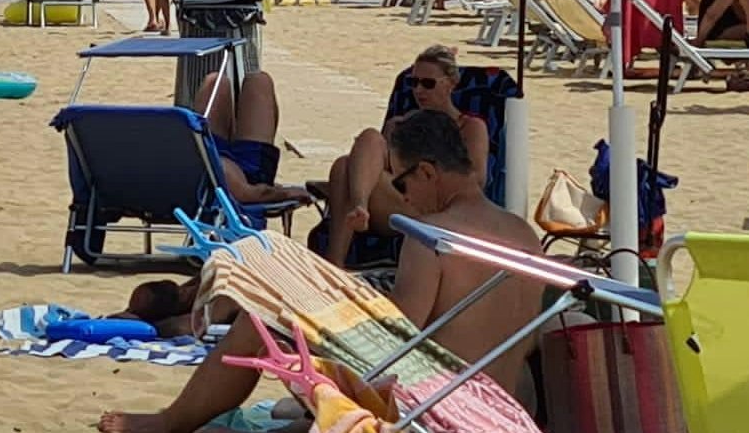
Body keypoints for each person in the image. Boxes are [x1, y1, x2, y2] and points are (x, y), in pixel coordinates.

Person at [98, 109, 542, 432]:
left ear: (427, 172)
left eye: (402, 182)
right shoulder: (524, 235)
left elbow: (400, 338)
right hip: (499, 412)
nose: (403, 198)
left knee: (261, 322)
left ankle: (168, 423)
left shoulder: (432, 237)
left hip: (431, 410)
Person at [320, 45, 491, 266]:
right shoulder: (401, 124)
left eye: (428, 84)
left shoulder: (469, 126)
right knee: (362, 146)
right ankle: (359, 207)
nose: (419, 90)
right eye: (413, 83)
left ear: (451, 83)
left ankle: (335, 262)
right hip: (395, 200)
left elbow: (477, 180)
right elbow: (376, 169)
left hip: (435, 206)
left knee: (345, 168)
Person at [191, 68, 310, 208]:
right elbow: (250, 194)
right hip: (245, 176)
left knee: (217, 82)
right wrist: (283, 193)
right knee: (261, 83)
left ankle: (232, 130)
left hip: (206, 153)